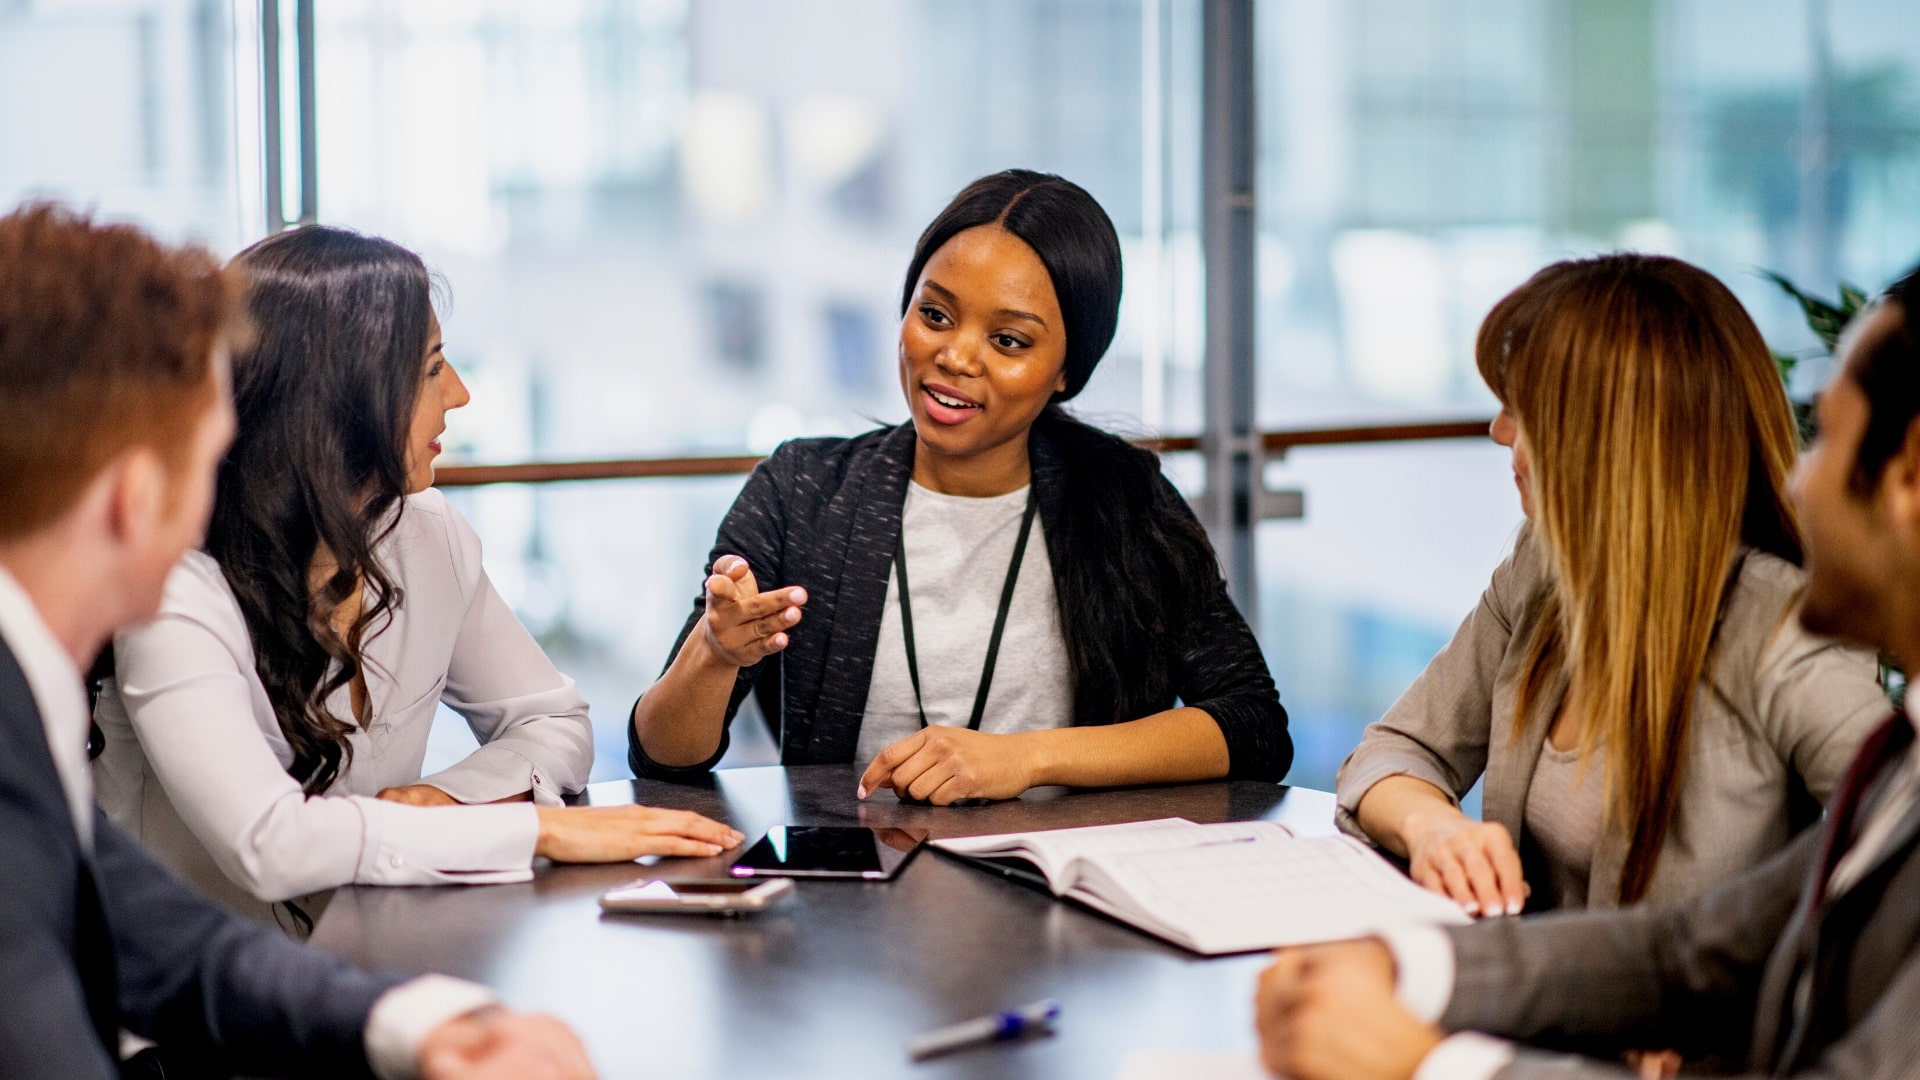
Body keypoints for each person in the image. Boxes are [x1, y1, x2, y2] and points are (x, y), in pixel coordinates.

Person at [1254, 261, 1920, 1080]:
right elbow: (1690, 954)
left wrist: (1432, 1064)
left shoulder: (1783, 635)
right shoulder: (1545, 574)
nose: (1794, 476)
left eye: (1825, 437)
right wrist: (1414, 966)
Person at [0, 202, 597, 1079]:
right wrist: (532, 833)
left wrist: (420, 1025)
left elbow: (157, 936)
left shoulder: (31, 691)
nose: (226, 499)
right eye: (209, 464)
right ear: (134, 497)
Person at [93, 225, 741, 925]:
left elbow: (555, 722)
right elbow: (268, 843)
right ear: (337, 397)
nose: (459, 395)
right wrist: (537, 830)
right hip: (187, 1009)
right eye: (432, 367)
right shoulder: (174, 585)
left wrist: (448, 799)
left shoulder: (425, 534)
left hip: (363, 961)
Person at [629, 170, 1291, 804]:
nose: (956, 357)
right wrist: (714, 654)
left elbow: (1251, 724)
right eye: (936, 315)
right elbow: (662, 755)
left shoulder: (1123, 498)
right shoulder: (803, 492)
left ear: (1067, 370)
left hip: (1067, 886)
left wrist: (1026, 758)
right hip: (854, 894)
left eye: (1007, 340)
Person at [1337, 254, 1887, 916]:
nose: (1498, 431)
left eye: (1523, 409)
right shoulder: (1543, 569)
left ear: (1604, 441)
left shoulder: (1785, 631)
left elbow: (1898, 853)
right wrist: (1435, 829)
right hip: (1523, 999)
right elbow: (1395, 750)